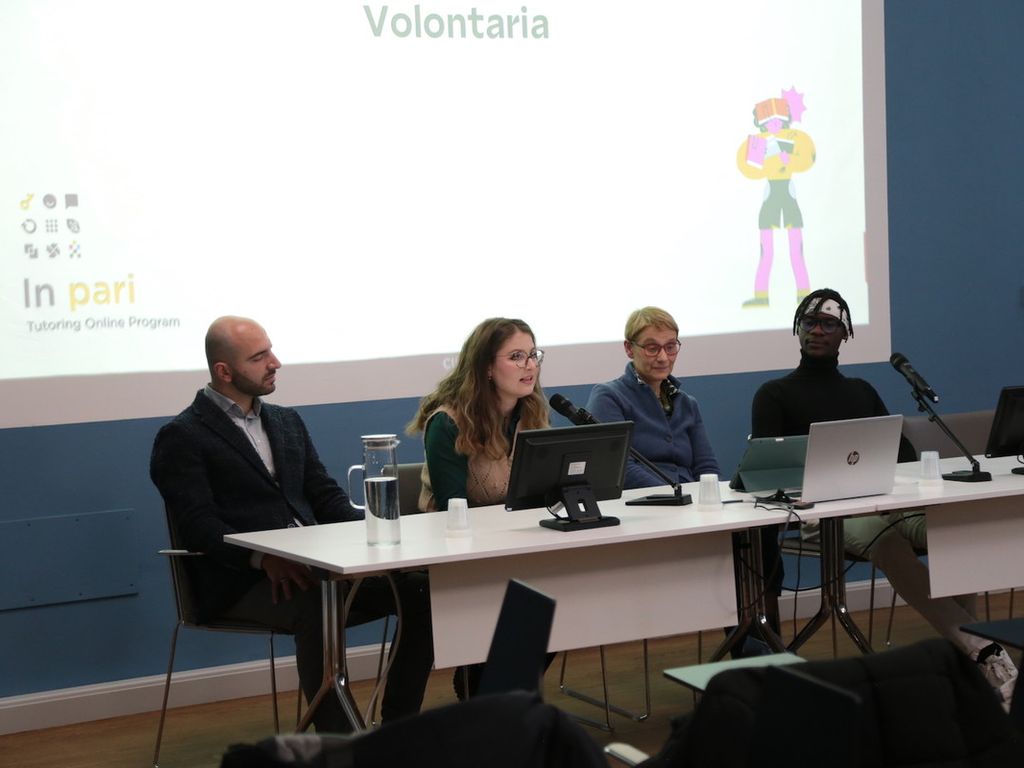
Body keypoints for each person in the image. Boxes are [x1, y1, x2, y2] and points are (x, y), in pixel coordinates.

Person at [150, 316, 434, 731]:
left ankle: (399, 727)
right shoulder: (182, 436)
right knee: (316, 605)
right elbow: (199, 526)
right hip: (242, 582)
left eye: (270, 350)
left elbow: (324, 496)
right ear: (224, 371)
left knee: (421, 589)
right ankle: (343, 747)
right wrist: (262, 559)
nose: (275, 362)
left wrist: (375, 534)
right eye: (259, 357)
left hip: (318, 568)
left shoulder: (286, 421)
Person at [750, 288, 1018, 705]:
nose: (817, 330)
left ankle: (971, 660)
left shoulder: (860, 390)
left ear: (845, 334)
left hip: (881, 503)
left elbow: (902, 453)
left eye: (828, 324)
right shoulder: (773, 394)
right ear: (798, 330)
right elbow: (767, 469)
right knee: (889, 542)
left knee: (950, 529)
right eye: (810, 323)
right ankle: (980, 649)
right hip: (820, 516)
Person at [408, 317, 549, 697]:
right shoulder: (448, 422)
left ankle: (496, 690)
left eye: (533, 355)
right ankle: (481, 687)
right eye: (516, 357)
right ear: (486, 367)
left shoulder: (531, 414)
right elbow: (454, 510)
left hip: (513, 544)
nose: (529, 366)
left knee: (561, 591)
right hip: (451, 552)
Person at [585, 306, 719, 488]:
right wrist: (673, 495)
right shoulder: (608, 397)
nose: (663, 357)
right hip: (643, 501)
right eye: (652, 348)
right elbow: (619, 467)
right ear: (629, 349)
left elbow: (707, 467)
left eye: (670, 347)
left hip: (691, 499)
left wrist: (710, 497)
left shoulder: (687, 403)